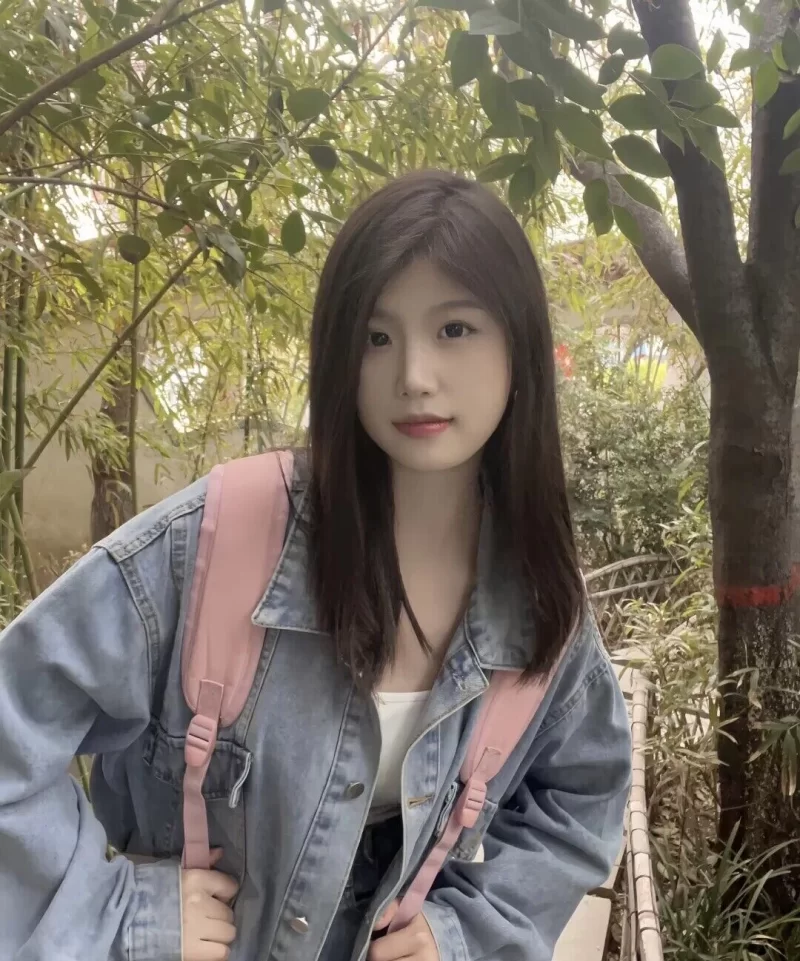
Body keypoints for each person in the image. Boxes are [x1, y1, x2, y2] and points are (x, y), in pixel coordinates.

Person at [0, 170, 631, 961]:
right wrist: (129, 913)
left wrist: (465, 931)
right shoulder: (217, 543)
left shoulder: (537, 598)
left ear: (519, 348)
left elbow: (582, 793)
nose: (413, 375)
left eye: (454, 328)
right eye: (376, 336)